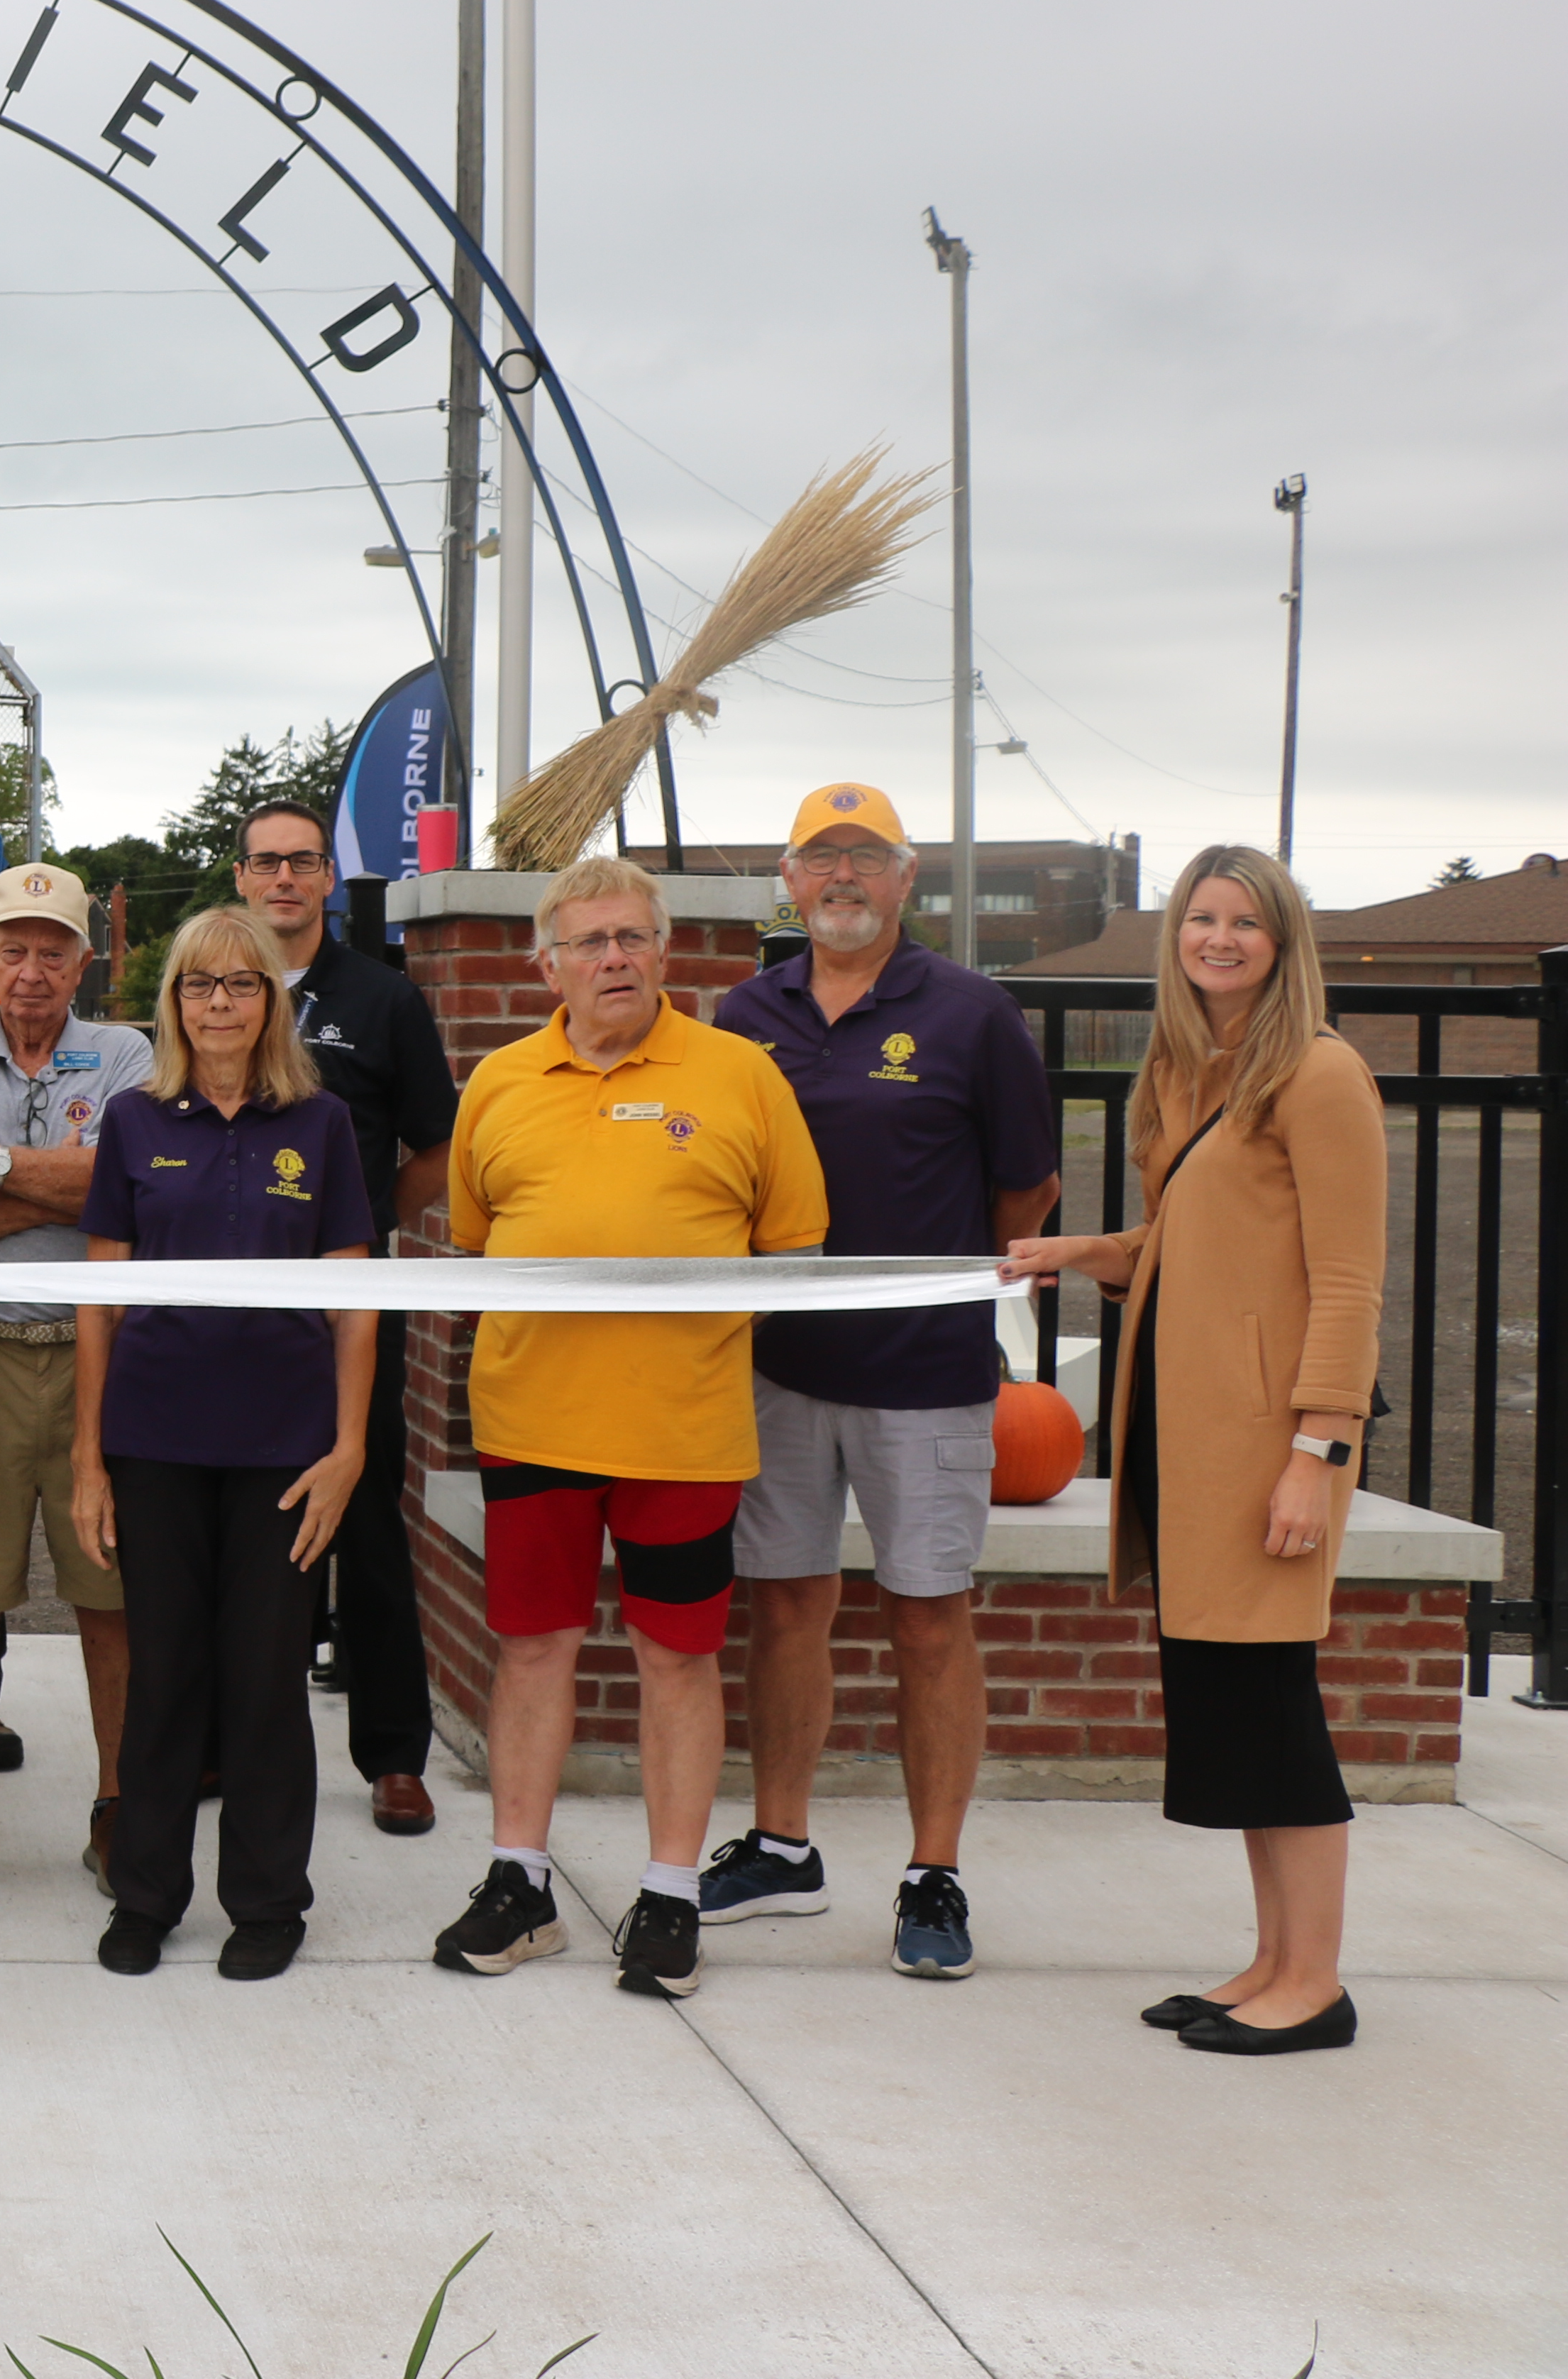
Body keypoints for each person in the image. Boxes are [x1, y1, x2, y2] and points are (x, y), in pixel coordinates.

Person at [1004, 845, 1381, 2055]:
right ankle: (1272, 1961)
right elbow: (1181, 1245)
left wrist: (1318, 1451)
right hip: (1188, 1436)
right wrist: (1080, 1255)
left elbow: (1350, 1287)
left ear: (1284, 942)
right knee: (1232, 1706)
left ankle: (1314, 1983)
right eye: (1200, 918)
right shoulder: (1185, 1072)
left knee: (1274, 1708)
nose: (1218, 938)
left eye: (1245, 922)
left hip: (1270, 1446)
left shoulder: (1321, 1077)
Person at [431, 855, 824, 2000]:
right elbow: (474, 1233)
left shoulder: (743, 1076)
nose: (613, 959)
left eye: (632, 939)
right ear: (545, 962)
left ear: (664, 951)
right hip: (530, 1422)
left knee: (677, 1656)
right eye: (589, 941)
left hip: (683, 1430)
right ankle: (519, 1882)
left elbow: (795, 1249)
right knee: (534, 1647)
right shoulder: (497, 1082)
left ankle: (668, 1894)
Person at [704, 781, 1060, 1979]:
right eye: (819, 858)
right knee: (787, 1606)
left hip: (928, 1372)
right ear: (788, 882)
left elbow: (1027, 1192)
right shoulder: (740, 1015)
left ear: (909, 880)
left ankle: (935, 1872)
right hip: (779, 1370)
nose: (841, 878)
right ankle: (783, 1845)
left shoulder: (971, 1015)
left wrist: (944, 1282)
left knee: (927, 1616)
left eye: (866, 857)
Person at [67, 903, 377, 1981]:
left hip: (284, 1455)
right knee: (165, 1679)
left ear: (271, 1001)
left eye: (243, 985)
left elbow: (356, 1306)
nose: (220, 1004)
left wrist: (348, 1450)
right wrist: (88, 1460)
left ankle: (268, 1903)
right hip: (154, 1441)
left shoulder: (322, 1125)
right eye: (201, 986)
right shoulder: (135, 1120)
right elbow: (98, 1305)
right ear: (175, 1003)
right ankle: (147, 1895)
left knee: (263, 1682)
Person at [0, 861, 158, 1892]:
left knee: (114, 1594)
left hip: (105, 1355)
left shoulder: (130, 1054)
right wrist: (71, 1197)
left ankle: (118, 1802)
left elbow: (133, 1192)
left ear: (85, 961)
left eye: (56, 950)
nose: (34, 970)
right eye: (15, 948)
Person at [235, 798, 459, 1836]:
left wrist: (364, 1234)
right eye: (266, 863)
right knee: (238, 1526)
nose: (284, 879)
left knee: (367, 1524)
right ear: (241, 878)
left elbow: (434, 1147)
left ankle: (393, 1755)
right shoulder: (213, 985)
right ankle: (225, 1739)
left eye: (303, 863)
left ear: (329, 877)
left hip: (350, 1304)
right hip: (232, 1303)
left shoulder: (382, 999)